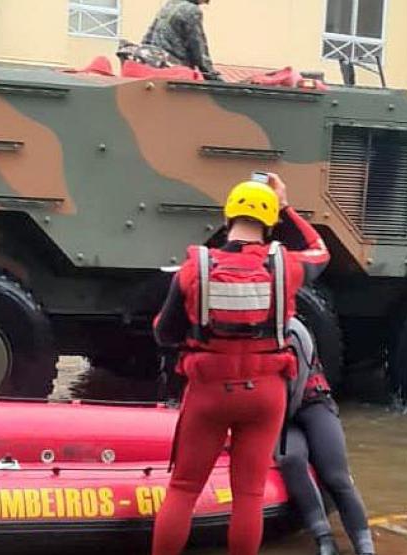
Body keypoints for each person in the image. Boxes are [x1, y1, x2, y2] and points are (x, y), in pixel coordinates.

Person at [151, 173, 330, 555]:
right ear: (268, 223)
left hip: (209, 393)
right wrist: (286, 206)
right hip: (265, 396)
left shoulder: (194, 269)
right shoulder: (287, 267)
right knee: (248, 494)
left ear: (228, 216)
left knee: (183, 489)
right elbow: (320, 250)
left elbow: (164, 333)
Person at [280, 321, 376, 555]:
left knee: (335, 475)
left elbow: (295, 388)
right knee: (291, 460)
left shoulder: (294, 332)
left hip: (312, 403)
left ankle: (365, 547)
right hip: (278, 416)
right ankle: (324, 540)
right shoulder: (242, 335)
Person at [142, 0, 221, 80]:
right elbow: (197, 45)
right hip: (175, 69)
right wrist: (211, 75)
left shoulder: (169, 4)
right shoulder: (192, 10)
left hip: (154, 64)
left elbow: (149, 35)